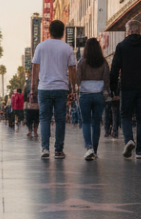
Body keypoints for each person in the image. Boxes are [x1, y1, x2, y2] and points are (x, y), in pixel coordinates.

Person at [109, 19, 141, 159]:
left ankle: (129, 140)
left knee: (125, 115)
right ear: (139, 31)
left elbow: (114, 69)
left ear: (129, 31)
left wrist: (113, 88)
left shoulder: (121, 46)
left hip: (127, 86)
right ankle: (140, 151)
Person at [31, 19, 78, 159]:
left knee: (44, 118)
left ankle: (45, 148)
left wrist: (33, 87)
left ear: (49, 31)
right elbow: (72, 69)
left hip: (44, 88)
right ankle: (58, 150)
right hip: (61, 87)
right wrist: (72, 88)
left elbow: (35, 67)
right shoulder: (67, 48)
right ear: (63, 32)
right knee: (60, 119)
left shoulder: (41, 46)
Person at [76, 36, 110, 161]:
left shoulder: (82, 62)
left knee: (86, 122)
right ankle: (94, 150)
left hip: (85, 95)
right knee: (96, 123)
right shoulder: (103, 62)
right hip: (99, 95)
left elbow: (78, 80)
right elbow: (107, 79)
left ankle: (89, 148)